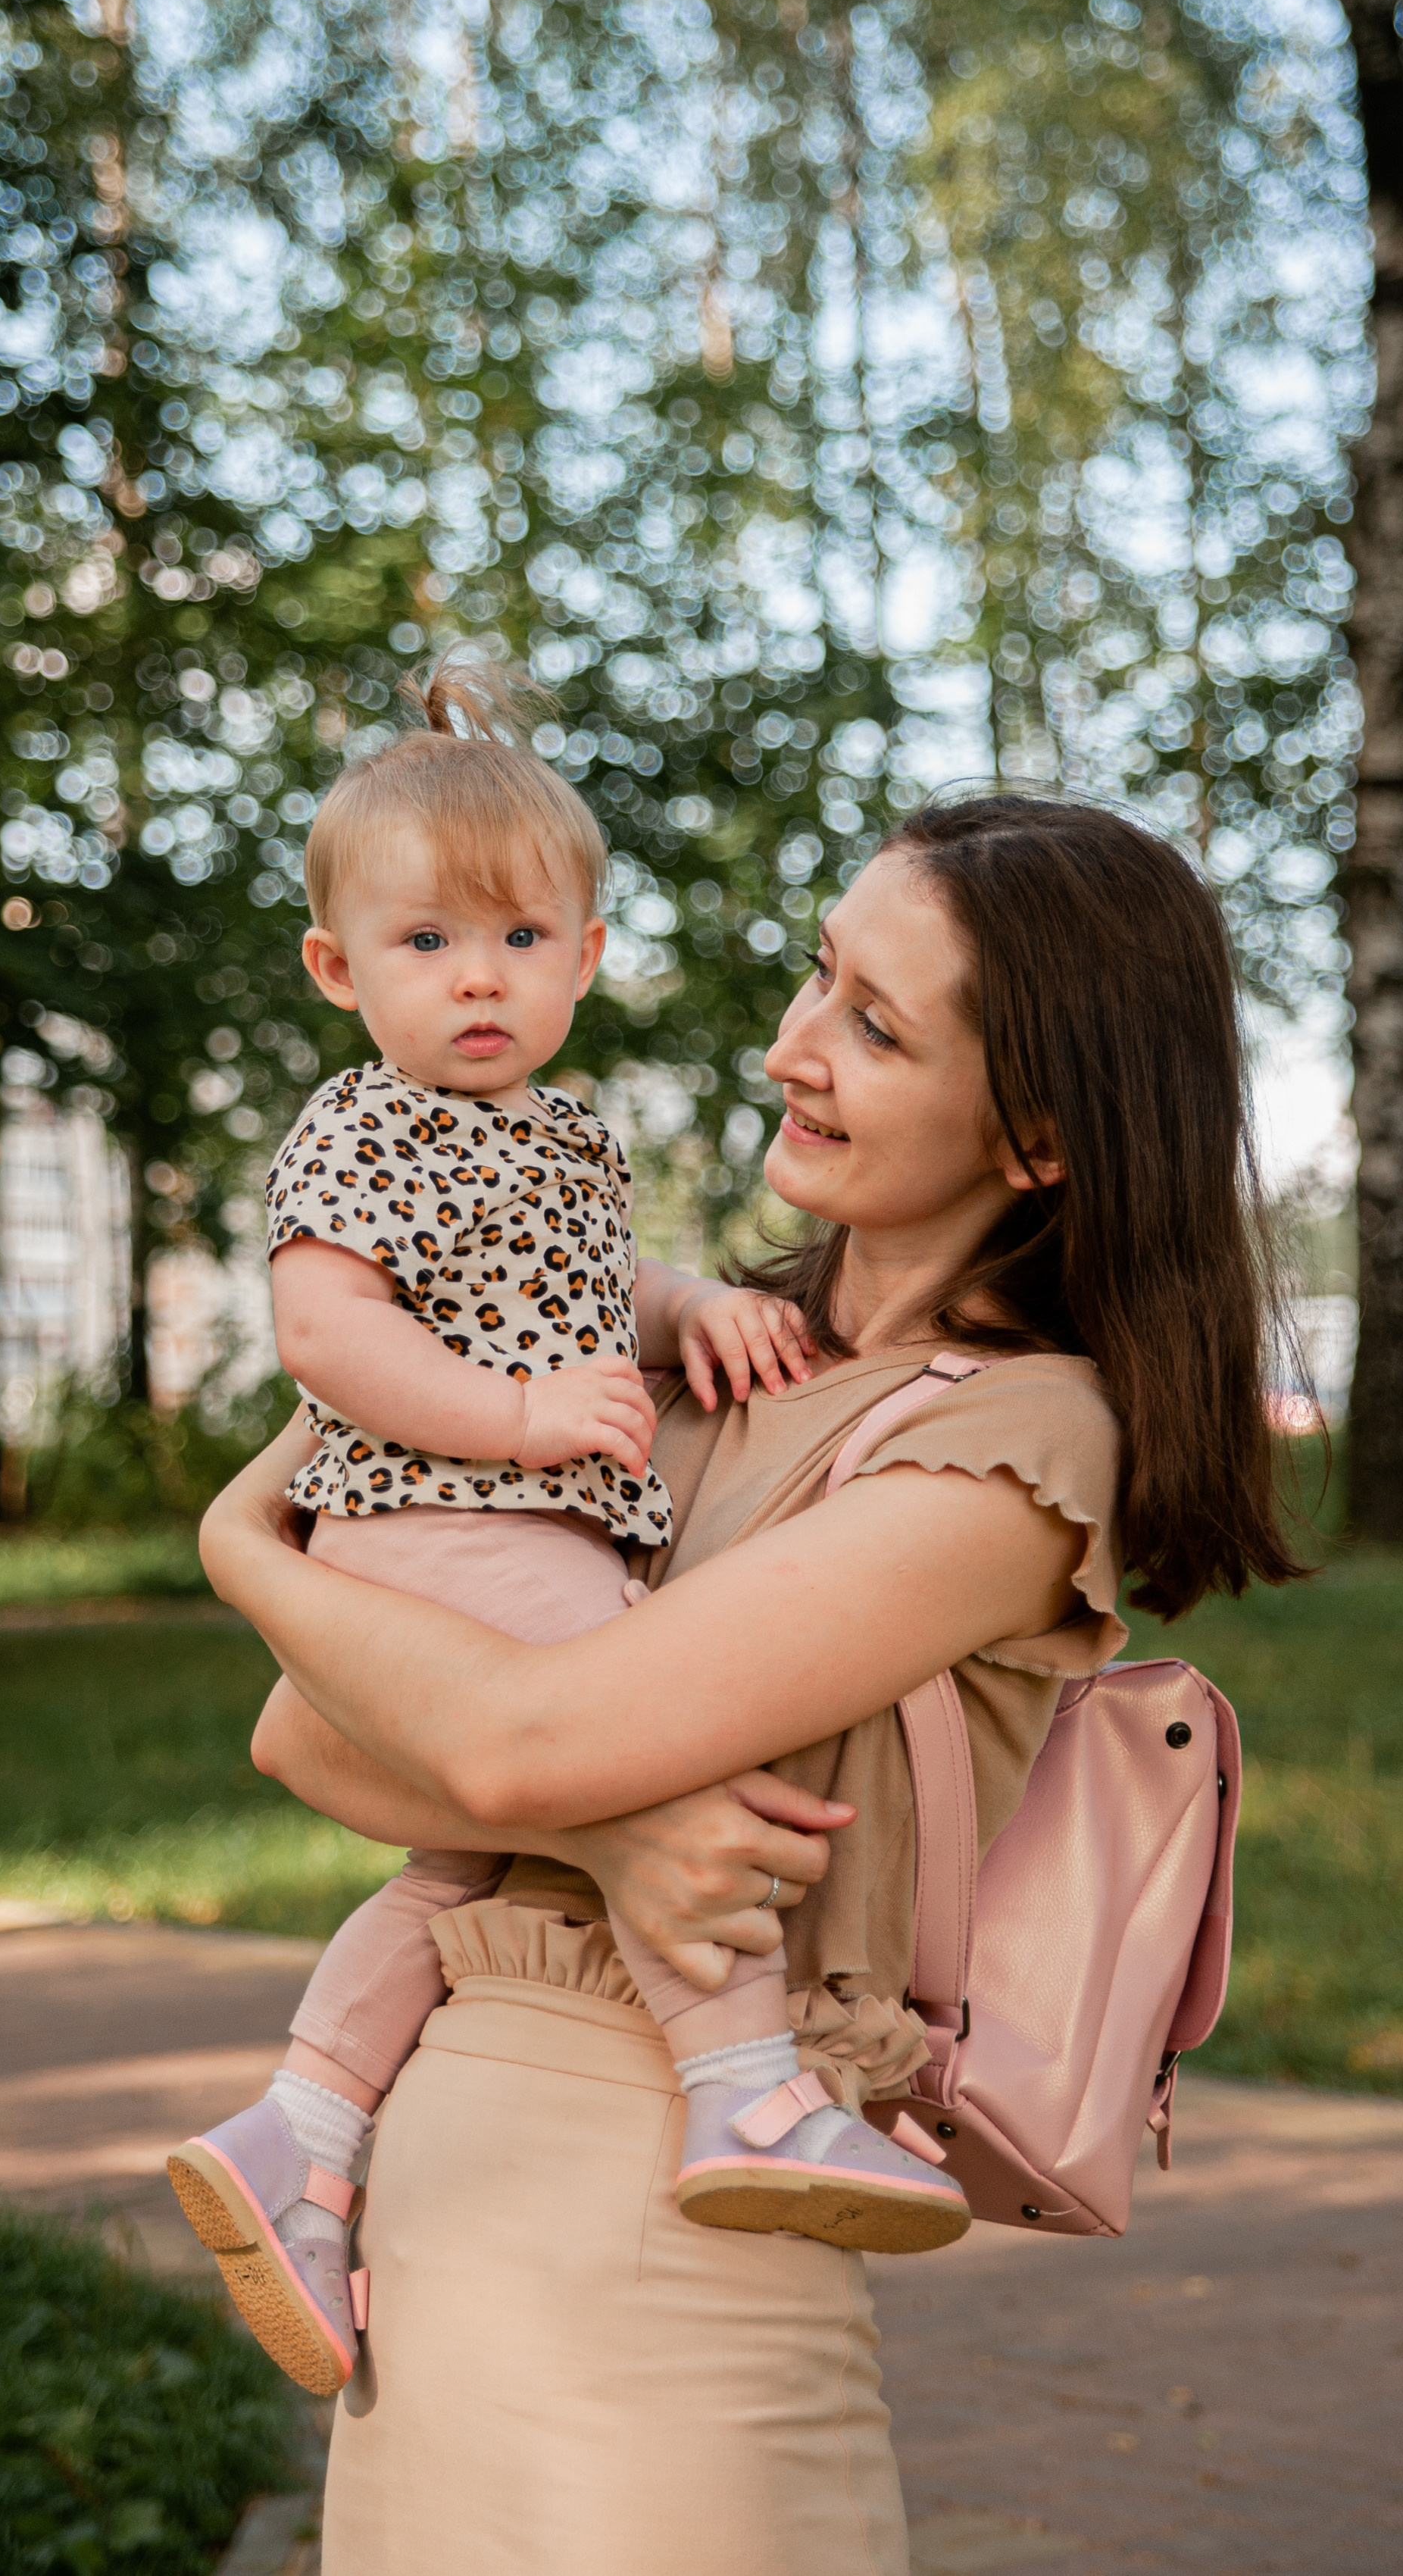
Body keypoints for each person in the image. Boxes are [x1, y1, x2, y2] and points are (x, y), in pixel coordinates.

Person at [200, 789, 1303, 2576]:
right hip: (447, 2210)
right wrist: (617, 1828)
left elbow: (493, 1739)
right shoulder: (698, 1362)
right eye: (817, 974)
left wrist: (255, 1559)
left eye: (874, 1024)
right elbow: (306, 1726)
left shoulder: (1017, 1443)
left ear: (1037, 1136)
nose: (791, 1045)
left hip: (670, 2238)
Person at [169, 665, 969, 2399]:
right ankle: (744, 2076)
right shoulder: (364, 1127)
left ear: (589, 956)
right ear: (337, 971)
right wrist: (525, 1417)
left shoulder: (562, 1137)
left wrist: (685, 1311)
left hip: (524, 1517)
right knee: (638, 1741)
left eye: (523, 939)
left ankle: (298, 2123)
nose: (479, 977)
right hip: (443, 1514)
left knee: (464, 1862)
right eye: (428, 942)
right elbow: (329, 1339)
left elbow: (595, 1288)